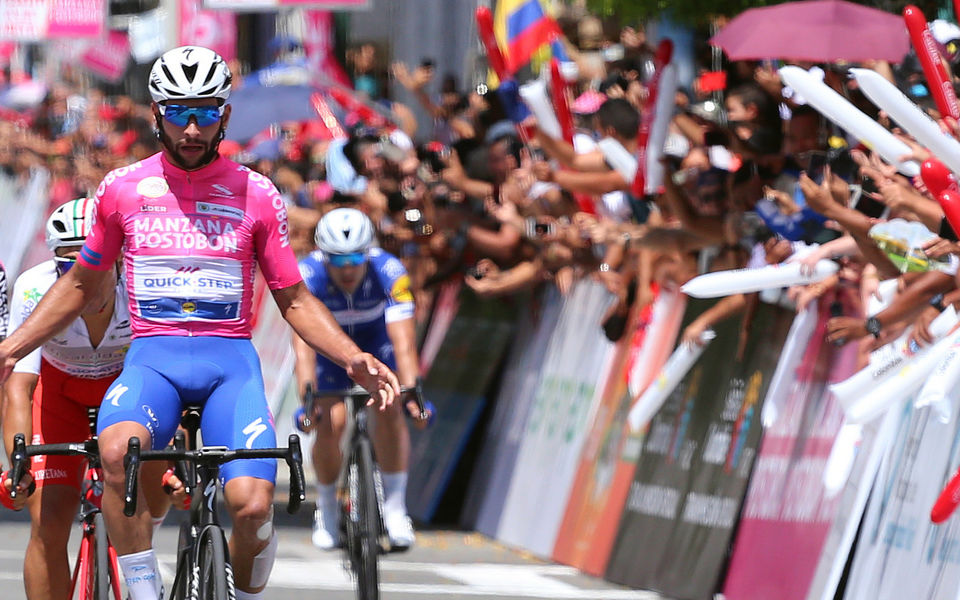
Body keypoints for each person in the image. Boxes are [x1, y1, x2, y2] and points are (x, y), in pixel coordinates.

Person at [0, 46, 399, 600]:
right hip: (152, 362)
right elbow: (77, 284)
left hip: (229, 367)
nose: (191, 127)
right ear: (157, 113)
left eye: (206, 112)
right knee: (115, 455)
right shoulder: (123, 189)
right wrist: (12, 347)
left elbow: (295, 299)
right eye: (178, 111)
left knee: (253, 506)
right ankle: (141, 586)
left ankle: (245, 572)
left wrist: (351, 357)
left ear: (225, 116)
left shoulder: (257, 195)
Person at [2, 198, 171, 600]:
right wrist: (18, 462)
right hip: (59, 396)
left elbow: (169, 374)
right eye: (70, 266)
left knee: (155, 491)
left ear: (119, 258)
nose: (88, 276)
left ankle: (140, 556)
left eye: (98, 261)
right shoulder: (35, 287)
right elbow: (18, 387)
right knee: (48, 522)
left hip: (126, 393)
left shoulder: (143, 282)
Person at [295, 207, 421, 551]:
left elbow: (404, 344)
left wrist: (413, 393)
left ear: (369, 253)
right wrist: (307, 400)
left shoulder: (390, 271)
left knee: (390, 405)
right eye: (337, 260)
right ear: (323, 256)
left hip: (376, 345)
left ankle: (395, 508)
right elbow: (304, 350)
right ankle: (327, 508)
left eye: (355, 257)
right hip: (330, 351)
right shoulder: (307, 274)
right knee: (330, 420)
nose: (348, 267)